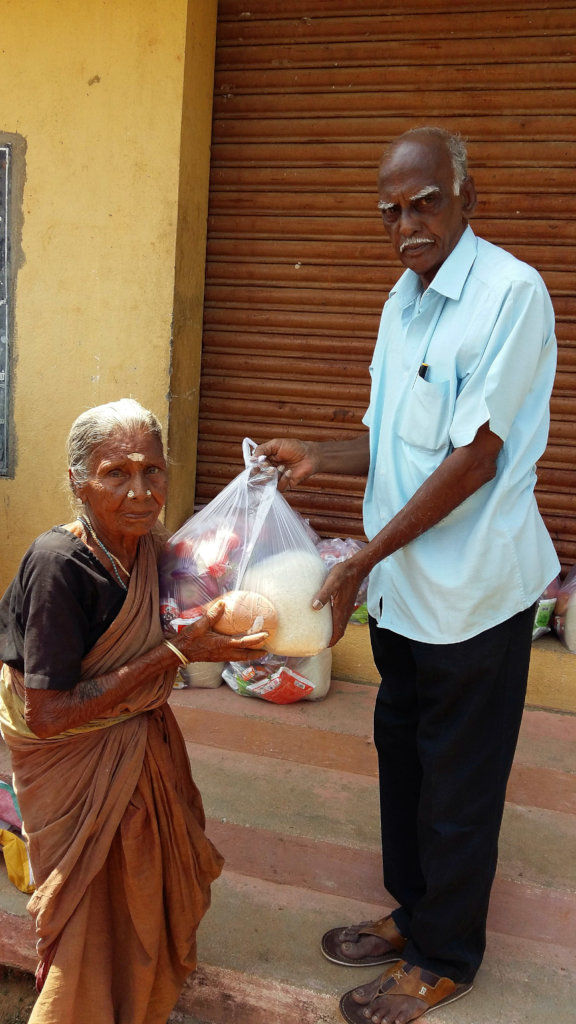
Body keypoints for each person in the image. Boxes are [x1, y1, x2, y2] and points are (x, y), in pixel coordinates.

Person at [255, 127, 559, 1024]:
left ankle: (446, 956)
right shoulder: (404, 300)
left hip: (472, 596)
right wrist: (320, 456)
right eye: (390, 209)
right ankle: (413, 912)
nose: (406, 222)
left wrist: (364, 555)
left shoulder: (511, 295)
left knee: (459, 787)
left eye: (423, 201)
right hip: (400, 598)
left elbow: (475, 459)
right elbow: (395, 442)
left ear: (467, 197)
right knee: (407, 770)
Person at [0, 398, 268, 1024]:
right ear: (77, 482)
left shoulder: (150, 551)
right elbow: (49, 715)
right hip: (74, 759)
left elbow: (200, 605)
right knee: (87, 909)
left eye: (152, 471)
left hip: (135, 741)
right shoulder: (59, 566)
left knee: (147, 888)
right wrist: (175, 653)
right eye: (115, 473)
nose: (140, 491)